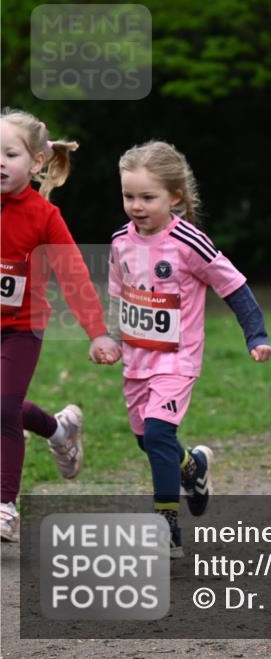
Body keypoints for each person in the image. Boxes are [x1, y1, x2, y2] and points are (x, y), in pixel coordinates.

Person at [109, 141, 271, 556]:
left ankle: (167, 524)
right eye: (129, 196)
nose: (137, 206)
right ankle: (192, 466)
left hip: (177, 360)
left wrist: (255, 334)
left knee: (161, 432)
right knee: (149, 441)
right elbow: (118, 293)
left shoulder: (189, 242)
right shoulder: (120, 242)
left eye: (148, 197)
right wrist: (110, 337)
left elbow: (232, 284)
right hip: (136, 360)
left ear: (175, 197)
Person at [1, 109, 121, 542]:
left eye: (9, 154)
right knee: (4, 405)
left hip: (21, 327)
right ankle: (60, 429)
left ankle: (4, 505)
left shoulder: (43, 217)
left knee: (2, 409)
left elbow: (73, 274)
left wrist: (97, 331)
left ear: (35, 163)